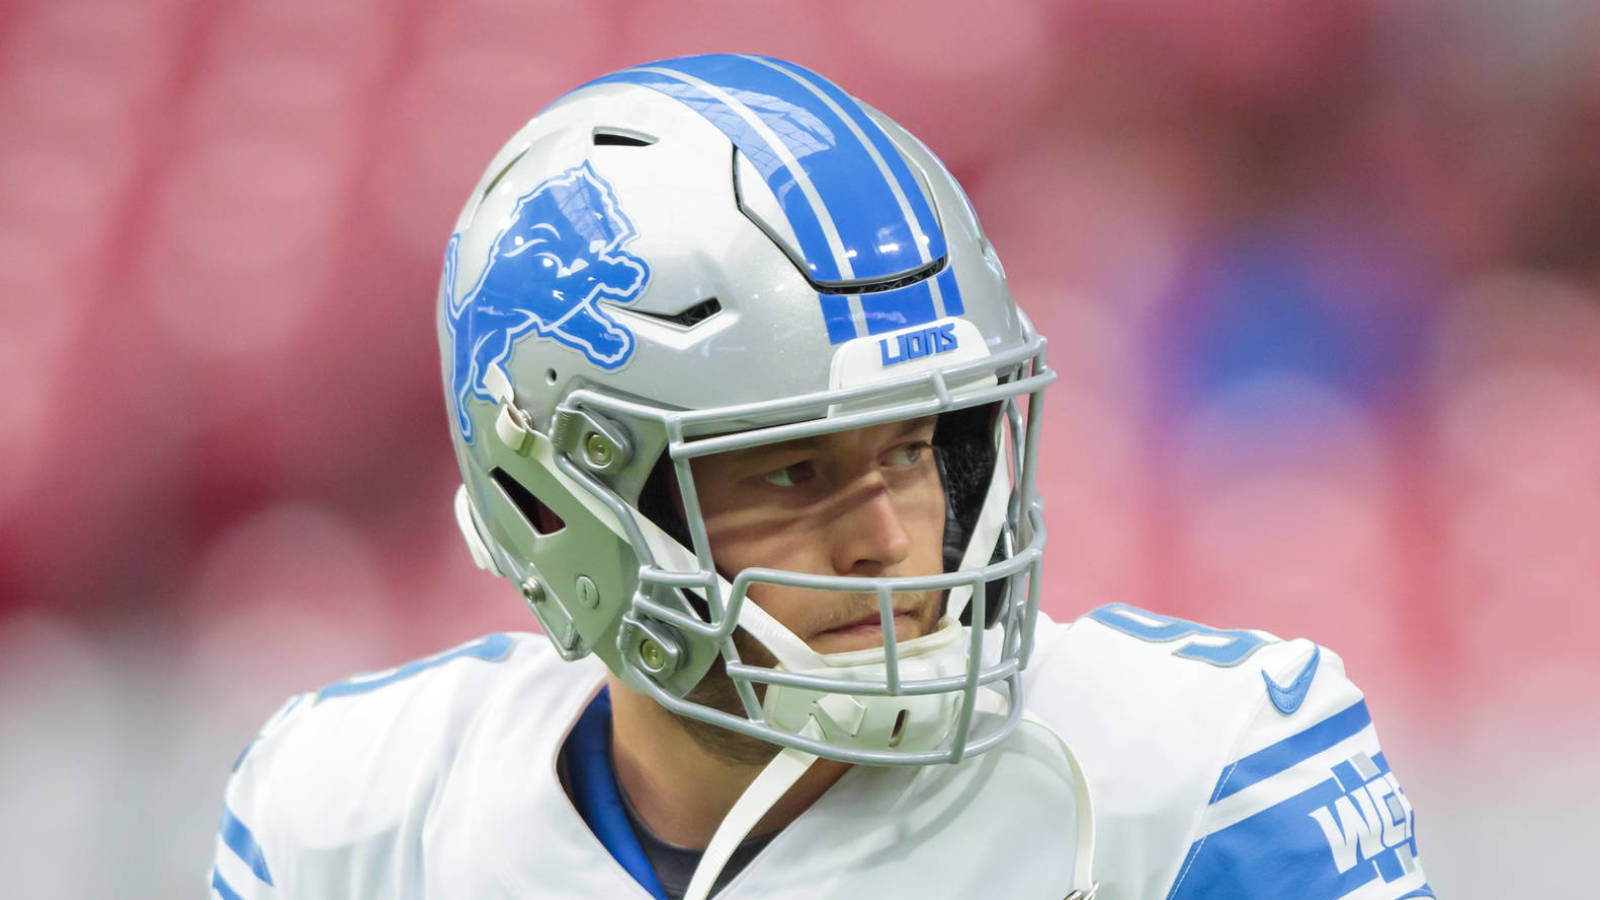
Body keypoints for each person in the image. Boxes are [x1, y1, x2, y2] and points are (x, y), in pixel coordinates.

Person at [209, 54, 1431, 900]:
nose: (892, 538)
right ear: (558, 508)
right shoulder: (357, 820)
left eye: (915, 447)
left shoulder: (1195, 781)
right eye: (793, 471)